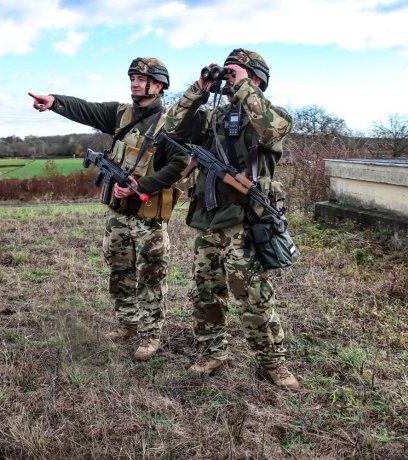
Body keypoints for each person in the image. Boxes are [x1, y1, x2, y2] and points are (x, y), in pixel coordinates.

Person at [29, 57, 189, 360]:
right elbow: (85, 108)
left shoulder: (170, 124)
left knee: (152, 272)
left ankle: (151, 335)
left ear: (158, 85)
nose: (134, 82)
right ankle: (127, 321)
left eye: (141, 78)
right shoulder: (119, 114)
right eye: (132, 77)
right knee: (118, 266)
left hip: (148, 215)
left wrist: (140, 186)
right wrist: (54, 102)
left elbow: (179, 165)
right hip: (118, 212)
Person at [165, 49, 299, 390]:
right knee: (205, 293)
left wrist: (242, 86)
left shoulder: (273, 115)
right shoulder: (215, 118)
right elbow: (171, 127)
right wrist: (200, 88)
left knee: (253, 295)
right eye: (228, 73)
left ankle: (273, 362)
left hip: (246, 222)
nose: (229, 79)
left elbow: (270, 132)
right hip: (209, 221)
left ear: (256, 80)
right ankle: (213, 352)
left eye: (237, 73)